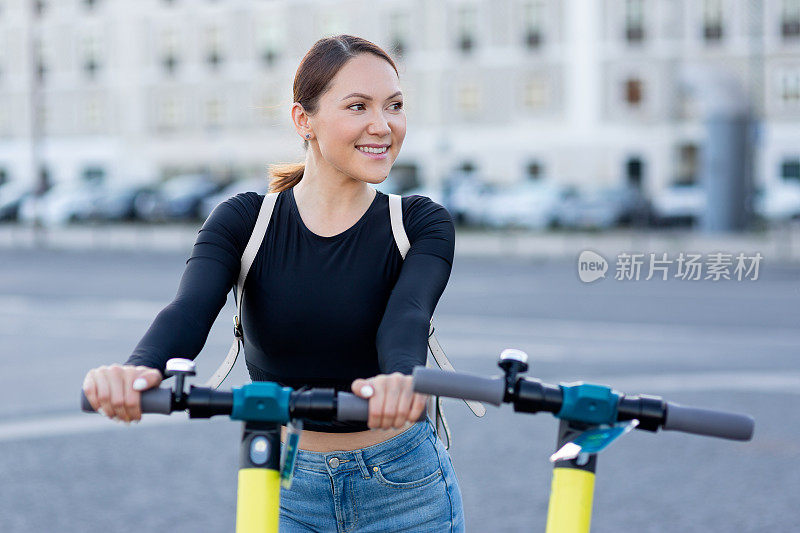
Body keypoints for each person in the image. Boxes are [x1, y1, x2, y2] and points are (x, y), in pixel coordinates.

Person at [82, 34, 465, 531]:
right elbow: (189, 311)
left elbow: (408, 316)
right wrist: (137, 370)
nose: (383, 124)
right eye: (358, 106)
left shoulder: (420, 223)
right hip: (283, 485)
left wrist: (400, 379)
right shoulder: (243, 221)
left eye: (394, 105)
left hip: (404, 486)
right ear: (303, 121)